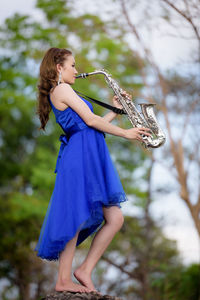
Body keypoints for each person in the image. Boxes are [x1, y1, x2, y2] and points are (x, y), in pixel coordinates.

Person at [34, 47, 151, 294]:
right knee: (75, 216)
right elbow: (89, 121)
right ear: (59, 68)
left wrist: (115, 111)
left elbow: (91, 125)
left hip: (89, 153)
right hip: (80, 157)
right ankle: (63, 280)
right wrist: (126, 133)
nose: (76, 70)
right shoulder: (62, 89)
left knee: (115, 218)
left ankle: (84, 270)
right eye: (73, 65)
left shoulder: (66, 90)